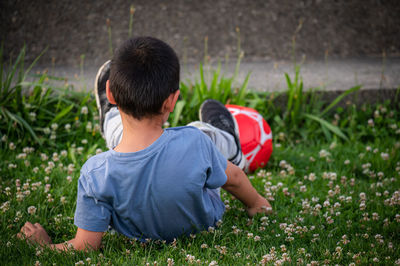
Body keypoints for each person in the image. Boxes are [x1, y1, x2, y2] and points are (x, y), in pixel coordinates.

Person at [18, 37, 272, 251]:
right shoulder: (194, 143)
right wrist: (257, 204)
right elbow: (235, 178)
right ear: (171, 102)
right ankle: (226, 139)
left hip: (140, 237)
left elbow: (85, 246)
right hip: (205, 224)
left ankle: (111, 118)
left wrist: (45, 245)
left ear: (110, 93)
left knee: (123, 141)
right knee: (199, 132)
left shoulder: (95, 173)